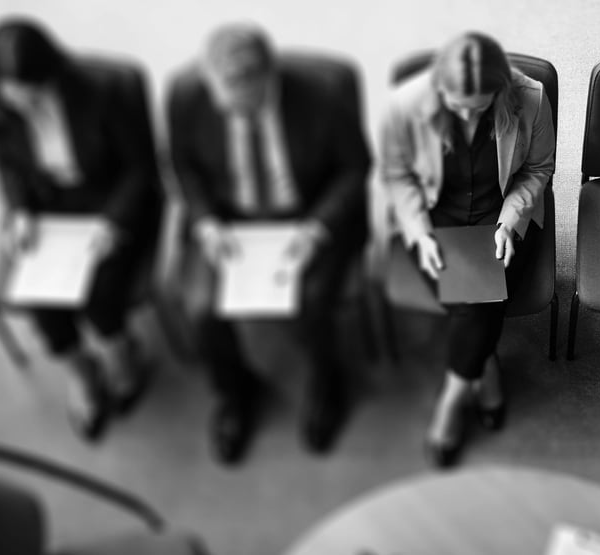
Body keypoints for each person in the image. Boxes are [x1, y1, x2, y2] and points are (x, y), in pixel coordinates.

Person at [167, 24, 371, 465]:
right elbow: (183, 165)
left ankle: (326, 380)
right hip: (228, 218)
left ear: (266, 79)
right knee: (201, 309)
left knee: (310, 302)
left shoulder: (323, 97)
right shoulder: (188, 95)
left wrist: (317, 228)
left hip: (307, 214)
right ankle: (235, 391)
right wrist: (204, 221)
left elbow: (356, 168)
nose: (230, 112)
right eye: (223, 100)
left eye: (242, 104)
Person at [380, 32, 556, 467]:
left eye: (477, 107)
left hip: (502, 218)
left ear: (499, 91)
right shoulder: (406, 104)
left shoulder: (530, 98)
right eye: (455, 104)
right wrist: (419, 234)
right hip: (435, 220)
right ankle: (485, 367)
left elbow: (538, 169)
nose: (464, 114)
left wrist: (509, 222)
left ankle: (452, 400)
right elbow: (399, 176)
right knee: (479, 305)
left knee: (479, 297)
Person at [0, 17, 163, 442]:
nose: (18, 102)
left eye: (27, 92)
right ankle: (81, 372)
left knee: (101, 289)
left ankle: (123, 357)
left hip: (111, 202)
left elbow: (141, 168)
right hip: (51, 209)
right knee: (38, 296)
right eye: (8, 92)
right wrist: (19, 212)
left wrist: (114, 222)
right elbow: (9, 166)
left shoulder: (104, 92)